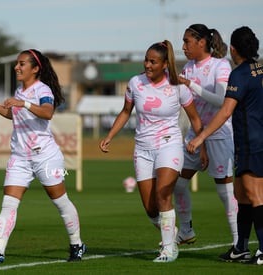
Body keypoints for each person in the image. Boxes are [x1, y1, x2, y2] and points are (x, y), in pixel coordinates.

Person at [0, 49, 86, 263]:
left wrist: (22, 103)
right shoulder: (19, 91)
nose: (17, 67)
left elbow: (47, 111)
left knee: (60, 202)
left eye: (22, 63)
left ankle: (77, 244)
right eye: (17, 63)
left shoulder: (43, 90)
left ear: (35, 69)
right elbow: (13, 114)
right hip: (20, 157)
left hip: (46, 157)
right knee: (9, 202)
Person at [99, 40, 204, 262]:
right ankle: (171, 231)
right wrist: (109, 136)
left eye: (153, 61)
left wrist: (202, 146)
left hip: (170, 144)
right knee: (150, 208)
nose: (147, 65)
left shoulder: (178, 87)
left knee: (163, 193)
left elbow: (195, 118)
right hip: (143, 149)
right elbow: (126, 111)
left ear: (165, 64)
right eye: (146, 60)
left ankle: (168, 249)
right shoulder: (135, 83)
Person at [188, 26, 263, 265]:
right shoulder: (260, 68)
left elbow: (225, 111)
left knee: (255, 195)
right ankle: (240, 247)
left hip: (252, 142)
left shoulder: (239, 74)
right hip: (248, 143)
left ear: (233, 48)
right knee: (241, 195)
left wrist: (200, 138)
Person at [173, 24, 238, 249]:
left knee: (224, 190)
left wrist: (191, 85)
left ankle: (238, 240)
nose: (184, 47)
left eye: (187, 41)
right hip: (195, 134)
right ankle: (186, 230)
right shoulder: (188, 68)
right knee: (178, 184)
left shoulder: (221, 65)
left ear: (202, 42)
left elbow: (221, 100)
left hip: (219, 135)